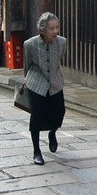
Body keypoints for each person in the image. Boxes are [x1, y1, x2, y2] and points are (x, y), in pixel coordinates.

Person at [23, 12, 67, 165]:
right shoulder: (30, 44)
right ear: (42, 30)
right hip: (36, 84)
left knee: (59, 113)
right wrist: (28, 82)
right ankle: (37, 151)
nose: (55, 31)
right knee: (36, 117)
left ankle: (52, 132)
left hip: (55, 83)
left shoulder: (62, 42)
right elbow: (27, 65)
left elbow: (59, 60)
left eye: (57, 27)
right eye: (51, 28)